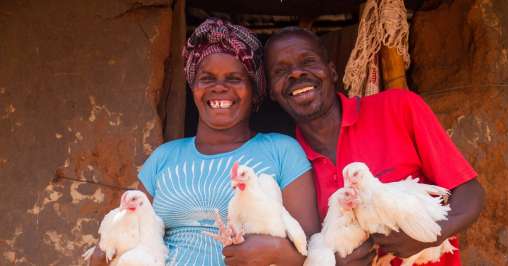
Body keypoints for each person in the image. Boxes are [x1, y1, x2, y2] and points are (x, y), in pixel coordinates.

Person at [89, 19, 319, 266]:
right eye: (207, 78)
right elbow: (133, 235)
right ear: (193, 86)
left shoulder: (281, 151)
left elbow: (311, 249)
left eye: (234, 78)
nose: (219, 87)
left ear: (254, 91)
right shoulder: (164, 158)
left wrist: (275, 250)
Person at [263, 27, 485, 266]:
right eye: (280, 71)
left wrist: (430, 233)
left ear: (332, 71)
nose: (296, 73)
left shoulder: (398, 108)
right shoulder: (285, 160)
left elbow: (470, 192)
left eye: (308, 61)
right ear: (272, 92)